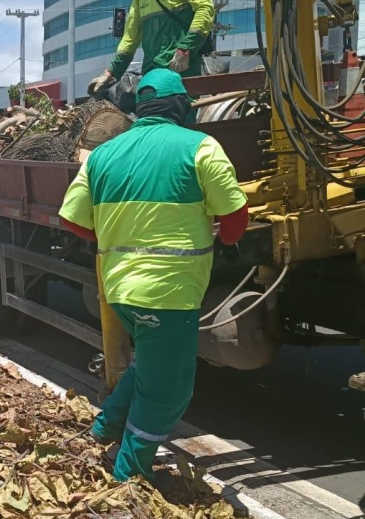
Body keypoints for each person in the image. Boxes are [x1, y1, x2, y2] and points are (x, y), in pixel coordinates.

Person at [59, 69, 248, 484]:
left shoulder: (104, 154)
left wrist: (110, 236)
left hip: (120, 290)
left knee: (150, 367)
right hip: (170, 293)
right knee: (168, 390)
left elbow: (72, 219)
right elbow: (234, 218)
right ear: (180, 107)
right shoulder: (200, 147)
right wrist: (226, 239)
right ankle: (129, 476)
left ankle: (104, 428)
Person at [87, 0, 215, 98]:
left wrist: (186, 48)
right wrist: (110, 73)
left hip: (180, 67)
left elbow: (205, 9)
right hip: (151, 71)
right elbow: (130, 37)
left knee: (183, 116)